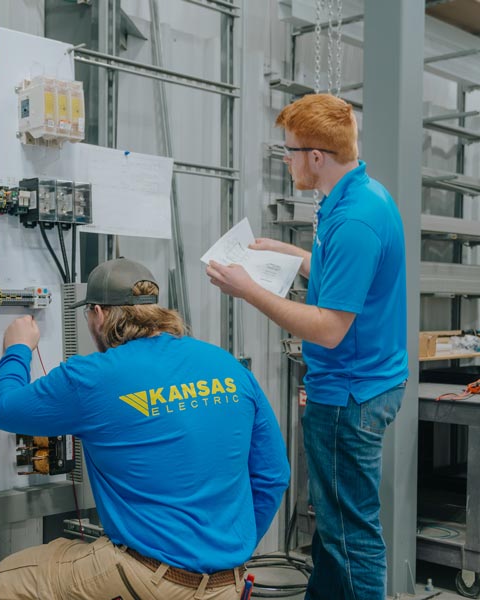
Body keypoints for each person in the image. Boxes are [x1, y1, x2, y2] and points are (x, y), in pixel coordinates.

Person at [0, 257, 290, 600]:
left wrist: (18, 347)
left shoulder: (92, 376)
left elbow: (3, 409)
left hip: (148, 577)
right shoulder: (227, 366)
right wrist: (229, 551)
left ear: (98, 314)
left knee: (6, 579)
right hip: (229, 584)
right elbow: (274, 475)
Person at [206, 93, 408, 600]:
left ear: (316, 157)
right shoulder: (356, 198)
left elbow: (329, 327)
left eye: (290, 150)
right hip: (351, 385)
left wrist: (246, 289)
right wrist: (288, 254)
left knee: (351, 536)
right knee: (335, 530)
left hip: (351, 395)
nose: (287, 159)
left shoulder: (356, 220)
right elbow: (344, 283)